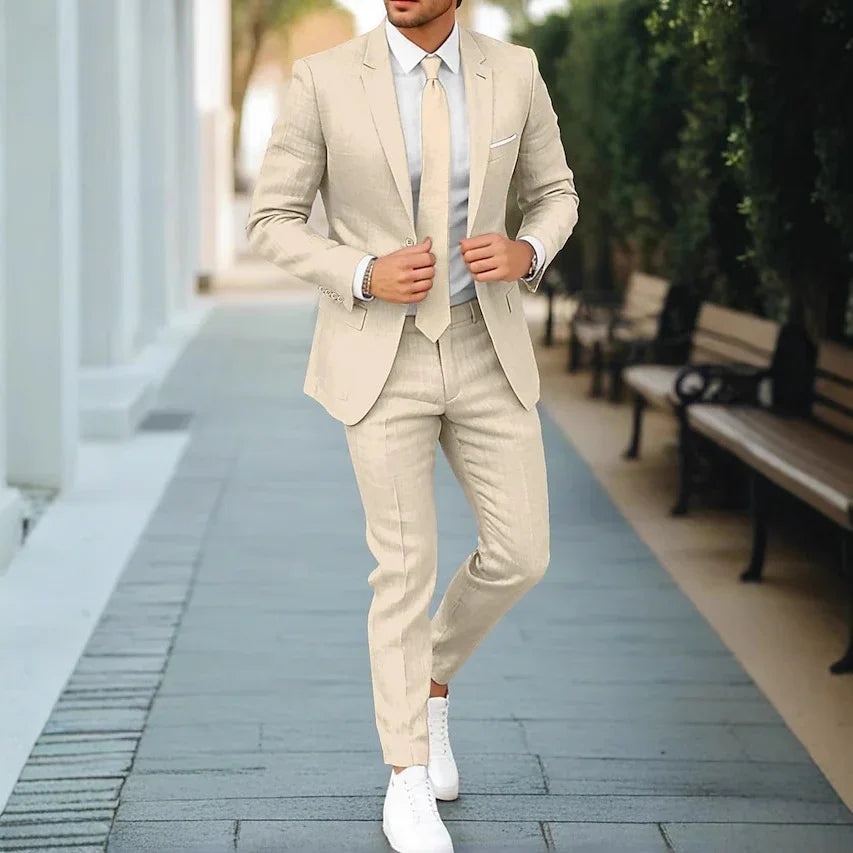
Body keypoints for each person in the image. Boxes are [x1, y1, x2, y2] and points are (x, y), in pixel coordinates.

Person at [247, 1, 578, 850]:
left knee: (521, 551)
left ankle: (425, 677)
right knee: (402, 567)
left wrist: (528, 251)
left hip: (484, 343)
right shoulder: (323, 79)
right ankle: (406, 776)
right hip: (379, 352)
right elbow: (272, 219)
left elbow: (554, 193)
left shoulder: (515, 72)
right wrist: (362, 270)